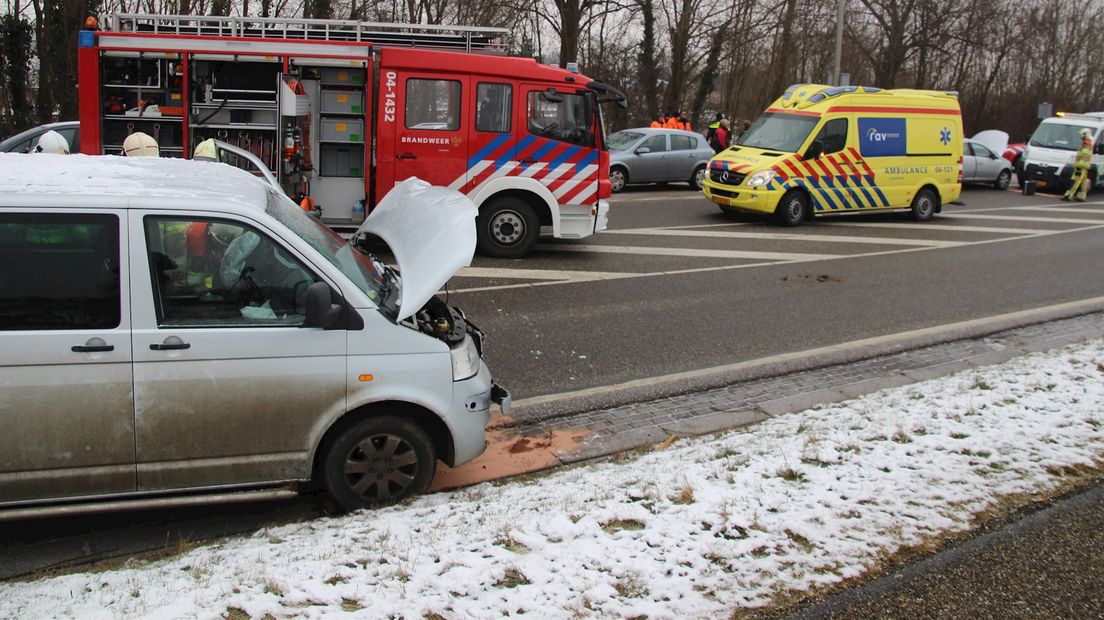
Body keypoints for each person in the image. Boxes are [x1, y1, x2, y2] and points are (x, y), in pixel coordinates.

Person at [1063, 127, 1093, 202]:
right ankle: (1082, 196)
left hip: (1081, 166)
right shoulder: (1089, 144)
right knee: (1083, 181)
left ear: (1085, 135)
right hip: (1085, 166)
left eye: (1081, 135)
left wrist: (1079, 164)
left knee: (1076, 180)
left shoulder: (1085, 144)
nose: (1080, 137)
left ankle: (1069, 195)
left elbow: (1084, 156)